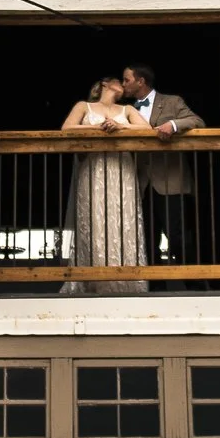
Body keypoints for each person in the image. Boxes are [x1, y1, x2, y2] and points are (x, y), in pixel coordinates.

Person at [60, 76, 150, 294]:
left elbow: (147, 129)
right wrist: (97, 129)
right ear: (105, 84)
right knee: (95, 219)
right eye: (119, 80)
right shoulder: (84, 106)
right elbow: (66, 128)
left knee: (123, 219)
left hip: (122, 169)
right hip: (93, 168)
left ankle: (127, 280)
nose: (123, 84)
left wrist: (120, 126)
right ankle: (95, 279)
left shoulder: (127, 109)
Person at [118, 64, 207, 267]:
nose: (123, 84)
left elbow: (197, 121)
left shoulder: (171, 101)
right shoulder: (126, 109)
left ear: (141, 81)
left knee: (177, 236)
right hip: (140, 183)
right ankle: (154, 283)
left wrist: (173, 125)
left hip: (170, 180)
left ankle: (193, 281)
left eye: (127, 80)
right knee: (146, 238)